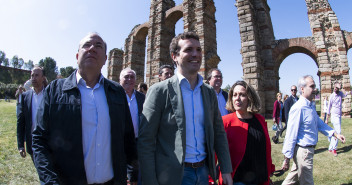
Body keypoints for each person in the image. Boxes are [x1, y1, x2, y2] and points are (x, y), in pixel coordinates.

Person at [32, 32, 138, 184]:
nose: (92, 49)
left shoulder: (117, 92)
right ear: (77, 56)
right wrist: (50, 181)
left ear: (105, 59)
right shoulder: (55, 91)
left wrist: (132, 172)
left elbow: (128, 137)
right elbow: (39, 139)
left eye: (98, 46)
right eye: (86, 45)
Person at [138, 32, 233, 185]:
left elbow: (218, 132)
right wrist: (150, 180)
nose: (195, 54)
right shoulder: (159, 91)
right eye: (188, 50)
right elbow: (146, 141)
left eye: (198, 49)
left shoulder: (208, 92)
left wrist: (226, 169)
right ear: (174, 56)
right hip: (174, 175)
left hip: (203, 172)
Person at [281, 75, 346, 185]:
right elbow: (291, 134)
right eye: (311, 86)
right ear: (302, 89)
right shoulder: (299, 108)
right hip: (304, 153)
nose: (315, 89)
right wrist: (286, 158)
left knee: (290, 181)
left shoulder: (310, 106)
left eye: (315, 86)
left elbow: (319, 123)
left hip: (306, 152)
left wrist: (334, 134)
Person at [218, 80, 275, 185]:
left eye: (242, 95)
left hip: (260, 179)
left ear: (250, 98)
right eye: (234, 95)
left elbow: (266, 148)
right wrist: (210, 178)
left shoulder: (260, 119)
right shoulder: (225, 121)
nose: (237, 98)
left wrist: (270, 169)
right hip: (236, 180)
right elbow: (216, 151)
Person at [119, 68, 145, 184]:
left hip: (136, 140)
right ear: (120, 79)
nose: (129, 79)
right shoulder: (114, 95)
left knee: (135, 171)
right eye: (126, 77)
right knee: (118, 168)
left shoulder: (141, 97)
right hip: (118, 140)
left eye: (132, 77)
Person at [17, 66, 46, 162]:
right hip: (32, 143)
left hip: (48, 143)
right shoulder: (25, 97)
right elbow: (21, 122)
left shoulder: (50, 95)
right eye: (32, 75)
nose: (33, 78)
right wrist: (21, 145)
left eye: (37, 75)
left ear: (43, 78)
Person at [325, 81, 349, 156]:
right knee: (338, 132)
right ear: (333, 87)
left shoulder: (340, 94)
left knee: (335, 133)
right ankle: (334, 149)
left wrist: (346, 92)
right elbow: (329, 107)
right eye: (335, 87)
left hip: (339, 116)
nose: (336, 89)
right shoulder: (332, 96)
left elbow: (344, 95)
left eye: (338, 88)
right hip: (334, 116)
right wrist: (327, 118)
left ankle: (330, 148)